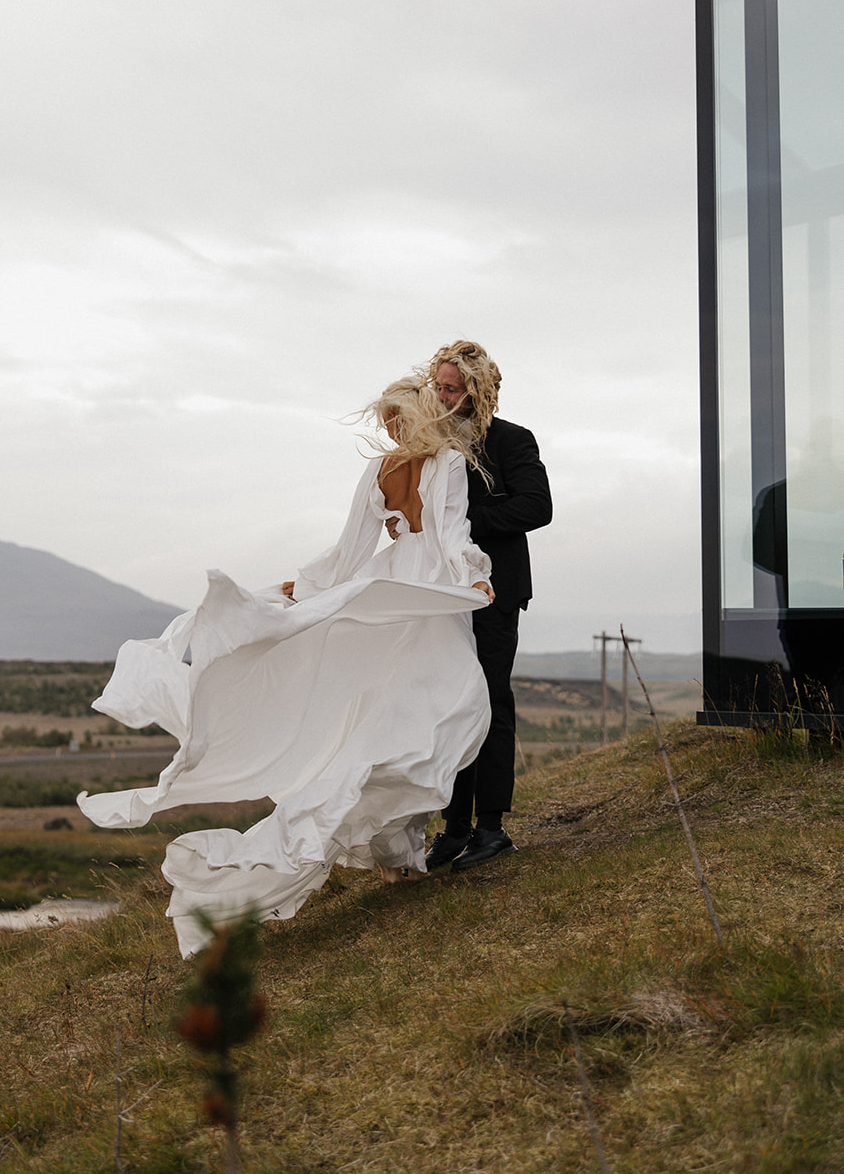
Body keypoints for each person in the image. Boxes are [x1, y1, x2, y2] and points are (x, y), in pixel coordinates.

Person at [77, 376, 493, 956]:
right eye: (387, 421)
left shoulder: (400, 466)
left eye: (395, 419)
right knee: (418, 715)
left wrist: (334, 585)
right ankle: (400, 856)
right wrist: (470, 576)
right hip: (415, 593)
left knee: (405, 717)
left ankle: (400, 857)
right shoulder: (425, 463)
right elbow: (434, 537)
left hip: (399, 589)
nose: (390, 430)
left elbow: (357, 553)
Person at [413, 341, 552, 872]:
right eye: (439, 386)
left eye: (452, 387)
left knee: (489, 700)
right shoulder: (434, 444)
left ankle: (492, 828)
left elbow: (538, 506)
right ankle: (453, 828)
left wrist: (467, 525)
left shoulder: (513, 440)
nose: (443, 396)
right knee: (451, 704)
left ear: (476, 389)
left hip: (495, 590)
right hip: (445, 592)